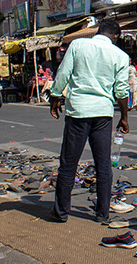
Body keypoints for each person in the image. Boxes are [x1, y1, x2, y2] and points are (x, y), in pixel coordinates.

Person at [49, 20, 130, 223]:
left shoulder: (78, 45)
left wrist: (55, 96)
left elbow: (63, 74)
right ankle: (102, 214)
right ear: (115, 37)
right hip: (103, 113)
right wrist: (124, 117)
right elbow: (121, 91)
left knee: (68, 164)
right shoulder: (120, 55)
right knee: (103, 165)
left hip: (78, 111)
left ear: (98, 32)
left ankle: (61, 213)